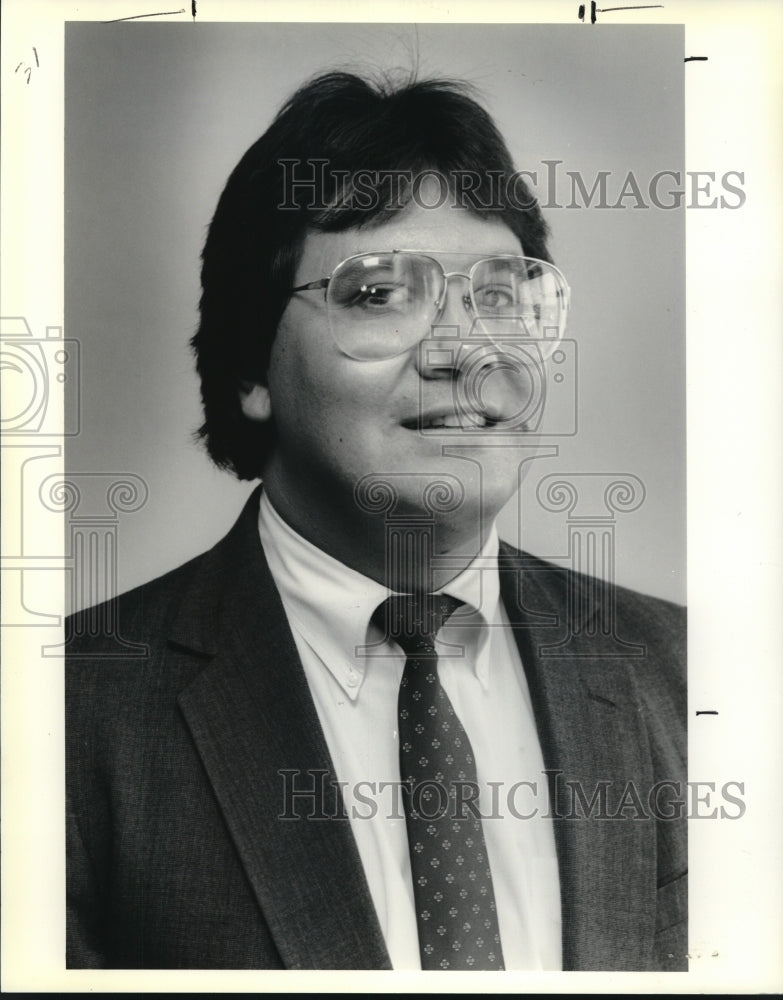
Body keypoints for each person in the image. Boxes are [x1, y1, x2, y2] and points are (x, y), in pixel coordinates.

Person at [66, 71, 686, 971]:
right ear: (249, 362)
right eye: (379, 294)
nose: (464, 352)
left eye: (500, 295)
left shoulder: (684, 674)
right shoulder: (65, 715)